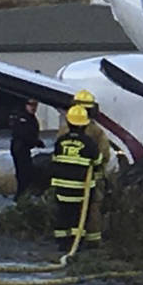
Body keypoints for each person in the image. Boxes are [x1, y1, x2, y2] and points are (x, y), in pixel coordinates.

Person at [48, 105, 103, 253]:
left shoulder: (60, 141)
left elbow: (55, 160)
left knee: (63, 214)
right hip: (81, 190)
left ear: (69, 123)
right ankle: (76, 244)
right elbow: (98, 162)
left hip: (61, 188)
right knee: (78, 217)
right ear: (84, 125)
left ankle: (62, 243)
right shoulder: (89, 143)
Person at [10, 105, 43, 197]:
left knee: (26, 173)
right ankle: (21, 196)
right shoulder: (23, 118)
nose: (33, 107)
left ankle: (23, 195)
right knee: (23, 174)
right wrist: (36, 142)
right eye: (31, 105)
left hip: (24, 148)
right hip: (20, 148)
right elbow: (23, 134)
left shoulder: (31, 118)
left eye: (35, 105)